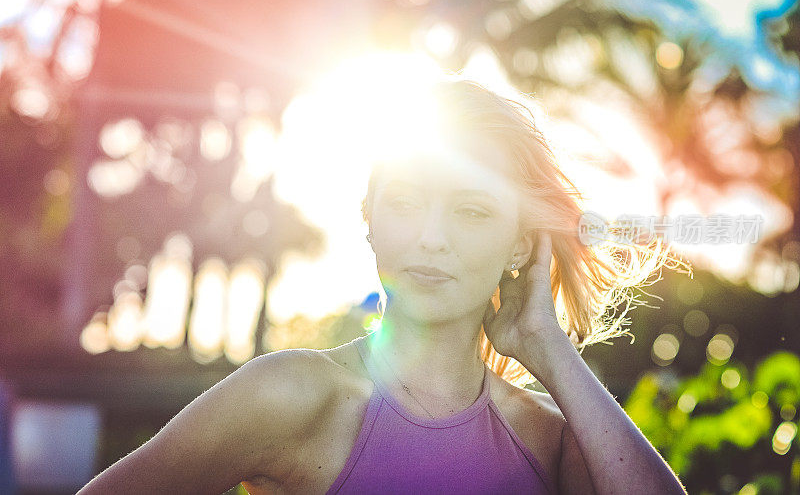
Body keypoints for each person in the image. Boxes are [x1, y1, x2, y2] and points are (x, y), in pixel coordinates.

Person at [78, 77, 689, 494]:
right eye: (405, 202)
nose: (430, 237)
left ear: (521, 245)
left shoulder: (552, 436)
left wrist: (547, 346)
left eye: (472, 210)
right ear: (369, 220)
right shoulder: (292, 395)